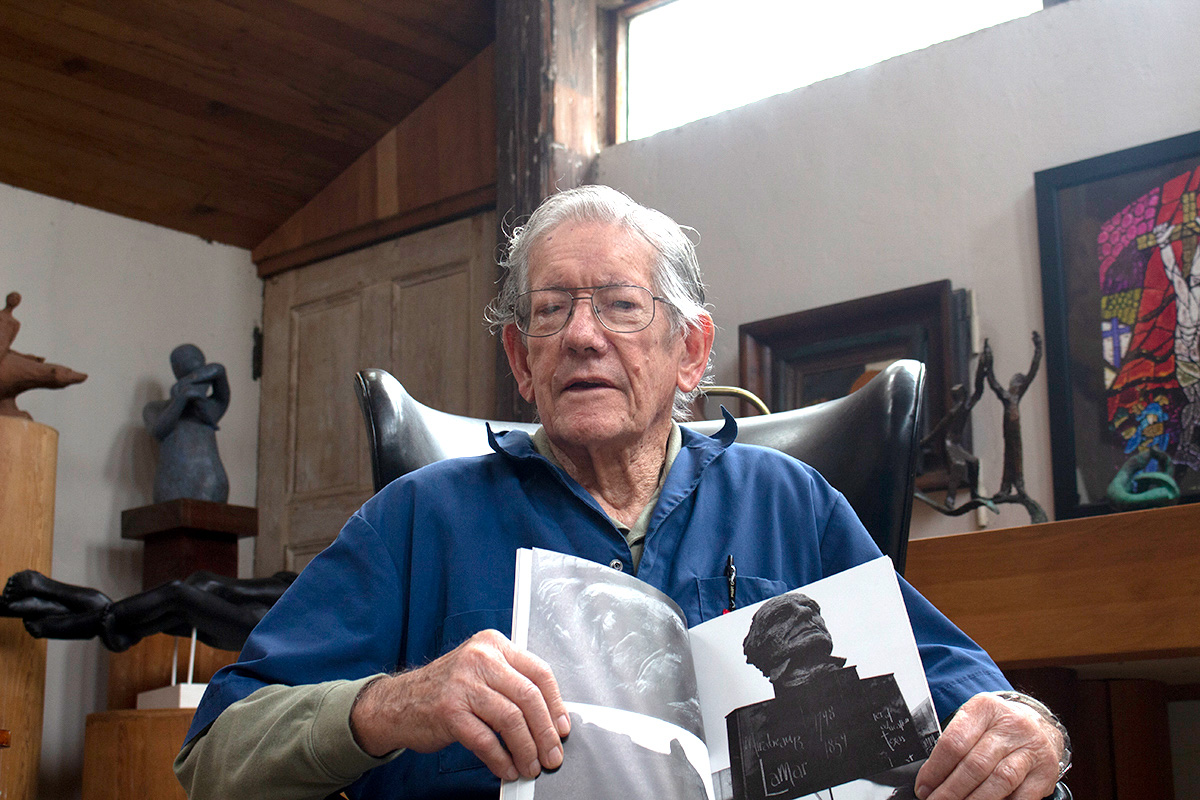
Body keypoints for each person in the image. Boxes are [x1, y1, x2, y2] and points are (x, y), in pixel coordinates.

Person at [175, 186, 1069, 800]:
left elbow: (970, 699)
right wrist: (397, 705)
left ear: (690, 352)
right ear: (522, 363)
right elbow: (215, 755)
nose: (582, 336)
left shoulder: (790, 502)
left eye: (619, 305)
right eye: (551, 311)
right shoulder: (422, 518)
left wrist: (1031, 730)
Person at [143, 343, 231, 503]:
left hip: (210, 479)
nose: (192, 362)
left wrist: (186, 384)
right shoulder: (155, 408)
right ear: (174, 368)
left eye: (197, 359)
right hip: (171, 482)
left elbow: (219, 370)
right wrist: (181, 399)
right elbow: (159, 431)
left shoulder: (210, 408)